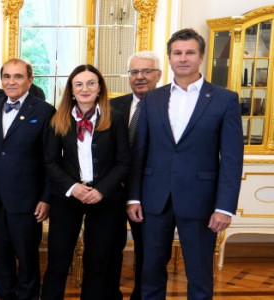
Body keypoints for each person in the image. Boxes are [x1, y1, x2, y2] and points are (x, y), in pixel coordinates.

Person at [127, 28, 243, 300]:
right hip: (155, 199)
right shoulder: (152, 99)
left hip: (201, 201)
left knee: (199, 274)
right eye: (177, 53)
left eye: (189, 52)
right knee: (151, 271)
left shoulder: (224, 99)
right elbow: (139, 152)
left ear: (201, 57)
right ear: (169, 58)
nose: (183, 58)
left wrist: (224, 207)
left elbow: (232, 158)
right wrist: (133, 197)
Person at [40, 64, 130, 299]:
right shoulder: (58, 119)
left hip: (105, 199)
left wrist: (101, 190)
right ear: (71, 90)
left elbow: (123, 162)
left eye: (91, 83)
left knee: (98, 261)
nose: (85, 88)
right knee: (58, 260)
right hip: (68, 197)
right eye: (78, 84)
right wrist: (72, 187)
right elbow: (50, 161)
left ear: (100, 88)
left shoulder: (116, 118)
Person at [0, 58, 54, 300]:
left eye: (18, 76)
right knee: (0, 256)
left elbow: (50, 160)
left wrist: (46, 198)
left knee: (26, 257)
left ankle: (28, 296)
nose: (11, 82)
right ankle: (4, 294)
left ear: (30, 80)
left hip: (27, 200)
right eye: (7, 77)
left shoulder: (44, 111)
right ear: (1, 80)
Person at [109, 50, 162, 300]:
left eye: (146, 71)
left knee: (147, 251)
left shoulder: (168, 106)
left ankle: (141, 295)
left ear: (158, 75)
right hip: (112, 191)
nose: (140, 77)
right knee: (109, 247)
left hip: (149, 193)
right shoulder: (112, 106)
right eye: (134, 72)